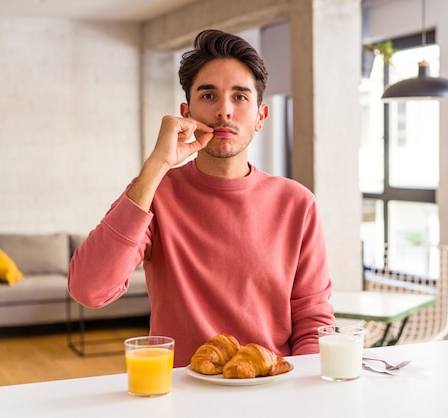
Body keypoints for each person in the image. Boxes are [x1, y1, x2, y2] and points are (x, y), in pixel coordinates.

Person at [68, 29, 335, 368]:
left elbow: (313, 319)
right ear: (187, 112)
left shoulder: (297, 204)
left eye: (240, 97)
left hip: (271, 389)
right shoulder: (156, 194)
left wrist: (308, 394)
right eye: (208, 96)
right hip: (179, 395)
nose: (224, 110)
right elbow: (89, 290)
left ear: (260, 117)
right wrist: (157, 165)